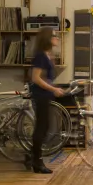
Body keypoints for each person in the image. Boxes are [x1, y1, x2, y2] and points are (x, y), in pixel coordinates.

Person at [29, 28, 64, 174]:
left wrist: (54, 88)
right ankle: (36, 162)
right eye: (54, 36)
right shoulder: (40, 56)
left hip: (46, 95)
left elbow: (46, 77)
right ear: (47, 38)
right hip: (40, 95)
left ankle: (33, 156)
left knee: (46, 127)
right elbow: (36, 78)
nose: (57, 38)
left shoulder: (48, 55)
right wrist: (52, 89)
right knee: (41, 129)